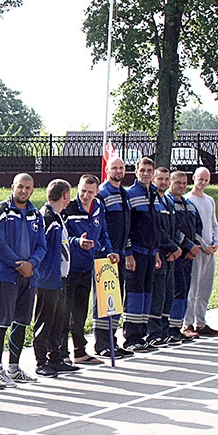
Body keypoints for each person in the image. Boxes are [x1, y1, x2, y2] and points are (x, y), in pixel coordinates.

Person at [0, 173, 46, 386]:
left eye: (28, 188)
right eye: (20, 187)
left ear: (33, 190)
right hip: (6, 275)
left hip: (29, 277)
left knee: (21, 321)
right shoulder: (1, 212)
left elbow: (42, 245)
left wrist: (32, 263)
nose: (24, 191)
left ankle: (14, 367)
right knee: (1, 321)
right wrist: (17, 264)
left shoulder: (35, 214)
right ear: (12, 187)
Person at [63, 174, 119, 365]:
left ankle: (80, 351)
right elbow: (62, 236)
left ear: (97, 192)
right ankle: (61, 352)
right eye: (83, 191)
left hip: (88, 266)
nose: (85, 196)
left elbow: (103, 232)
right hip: (69, 268)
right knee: (65, 311)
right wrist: (77, 242)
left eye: (90, 192)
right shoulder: (69, 208)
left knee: (80, 311)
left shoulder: (98, 207)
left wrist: (109, 251)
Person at [31, 179, 72, 377]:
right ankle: (41, 360)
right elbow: (41, 247)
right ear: (65, 195)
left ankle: (56, 357)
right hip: (47, 277)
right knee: (45, 319)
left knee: (58, 319)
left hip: (60, 277)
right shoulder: (46, 217)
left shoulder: (58, 216)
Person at [95, 157, 134, 358]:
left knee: (115, 299)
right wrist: (107, 250)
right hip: (105, 255)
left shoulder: (124, 194)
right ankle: (102, 343)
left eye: (121, 168)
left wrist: (127, 251)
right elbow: (100, 227)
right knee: (104, 300)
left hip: (120, 254)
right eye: (114, 168)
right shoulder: (102, 193)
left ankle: (112, 340)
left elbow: (126, 227)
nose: (118, 171)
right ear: (107, 169)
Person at [123, 157, 163, 353]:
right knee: (135, 295)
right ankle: (131, 337)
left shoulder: (155, 195)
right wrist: (128, 253)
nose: (146, 174)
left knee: (147, 295)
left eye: (149, 170)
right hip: (136, 253)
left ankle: (142, 334)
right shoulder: (130, 194)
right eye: (143, 170)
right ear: (136, 172)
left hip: (151, 254)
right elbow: (126, 227)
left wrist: (157, 252)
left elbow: (156, 227)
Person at [145, 167, 182, 348]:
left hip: (170, 255)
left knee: (168, 293)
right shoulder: (152, 200)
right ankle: (153, 333)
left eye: (167, 179)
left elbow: (174, 227)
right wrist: (171, 246)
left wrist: (176, 248)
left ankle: (164, 330)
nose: (164, 183)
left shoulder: (168, 201)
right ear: (153, 179)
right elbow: (156, 229)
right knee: (157, 294)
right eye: (160, 179)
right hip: (158, 252)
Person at [184, 167, 218, 337]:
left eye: (206, 180)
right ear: (194, 178)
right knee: (193, 288)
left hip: (210, 252)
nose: (203, 183)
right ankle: (187, 323)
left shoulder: (210, 200)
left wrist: (215, 243)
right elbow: (192, 229)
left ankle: (201, 322)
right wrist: (203, 245)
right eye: (200, 179)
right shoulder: (188, 200)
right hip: (197, 250)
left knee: (205, 288)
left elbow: (214, 223)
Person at [167, 171, 202, 342]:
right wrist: (187, 245)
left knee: (184, 290)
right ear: (170, 183)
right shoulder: (168, 203)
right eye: (178, 183)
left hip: (188, 256)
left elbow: (198, 228)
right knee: (175, 291)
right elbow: (172, 229)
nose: (181, 186)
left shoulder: (190, 205)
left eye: (184, 183)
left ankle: (178, 326)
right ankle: (170, 328)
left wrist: (195, 247)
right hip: (175, 254)